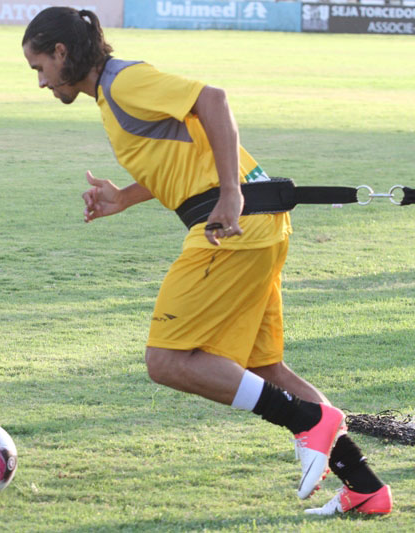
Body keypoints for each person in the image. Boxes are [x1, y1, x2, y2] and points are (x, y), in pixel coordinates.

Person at [21, 7, 392, 516]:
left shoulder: (124, 81)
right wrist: (124, 197)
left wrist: (232, 193)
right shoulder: (111, 96)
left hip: (233, 228)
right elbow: (180, 156)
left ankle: (308, 421)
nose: (41, 81)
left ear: (61, 53)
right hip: (255, 226)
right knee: (264, 368)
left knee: (167, 360)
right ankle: (365, 487)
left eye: (39, 67)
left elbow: (213, 100)